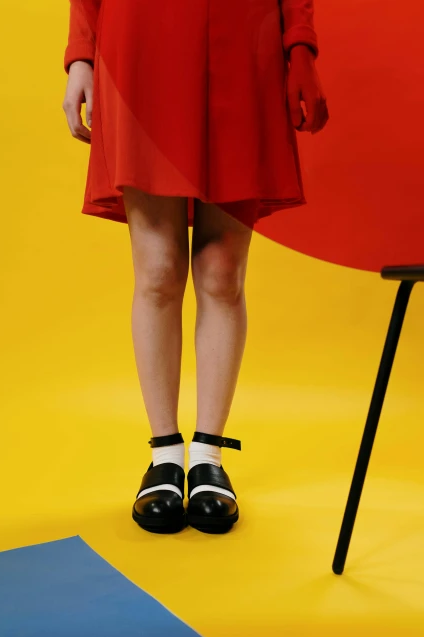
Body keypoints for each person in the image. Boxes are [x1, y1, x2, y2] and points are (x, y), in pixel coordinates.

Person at [62, 0, 329, 535]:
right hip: (140, 43)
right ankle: (164, 456)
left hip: (242, 39)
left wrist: (300, 46)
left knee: (221, 272)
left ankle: (209, 456)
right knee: (158, 270)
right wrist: (81, 59)